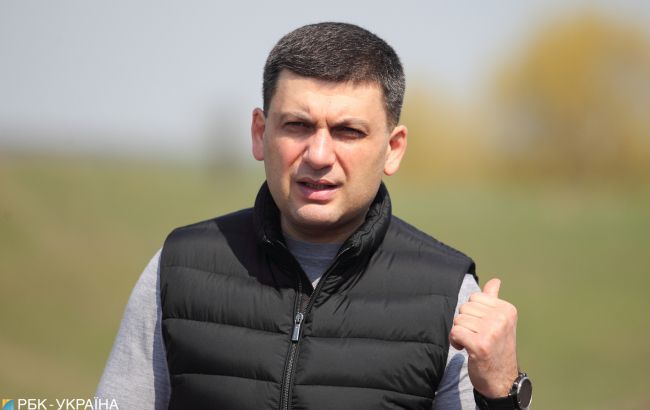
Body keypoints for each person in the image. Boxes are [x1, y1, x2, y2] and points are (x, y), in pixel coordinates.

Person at [97, 22, 532, 409]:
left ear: (393, 149)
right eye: (298, 126)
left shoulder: (449, 297)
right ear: (260, 133)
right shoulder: (179, 267)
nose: (319, 155)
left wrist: (500, 394)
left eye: (348, 131)